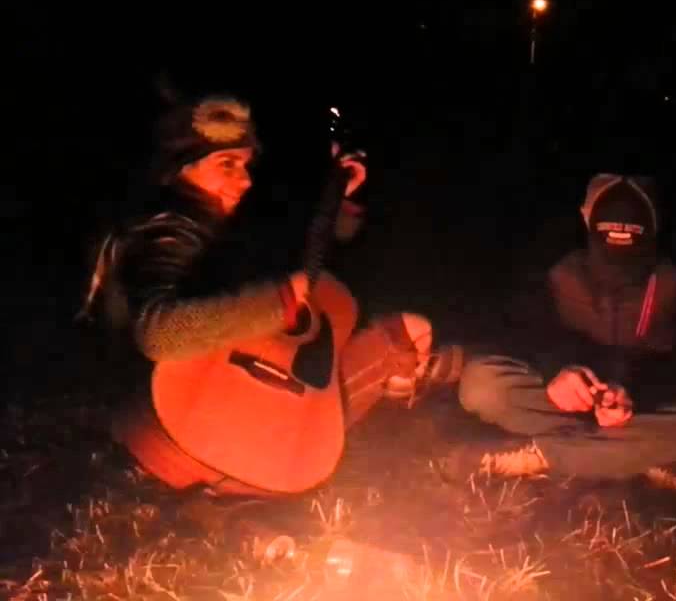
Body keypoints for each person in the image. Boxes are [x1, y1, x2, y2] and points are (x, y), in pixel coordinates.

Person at [81, 93, 435, 496]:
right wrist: (278, 302)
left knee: (403, 330)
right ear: (178, 169)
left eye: (246, 165)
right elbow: (159, 332)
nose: (245, 180)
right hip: (173, 431)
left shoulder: (215, 224)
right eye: (226, 164)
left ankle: (265, 468)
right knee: (404, 339)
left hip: (217, 426)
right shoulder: (167, 230)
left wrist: (342, 193)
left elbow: (311, 254)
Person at [452, 173, 676, 489]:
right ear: (585, 215)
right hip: (570, 403)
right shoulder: (554, 267)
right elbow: (527, 330)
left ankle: (541, 456)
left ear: (656, 222)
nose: (620, 222)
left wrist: (635, 390)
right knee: (481, 383)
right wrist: (559, 369)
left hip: (640, 408)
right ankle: (645, 458)